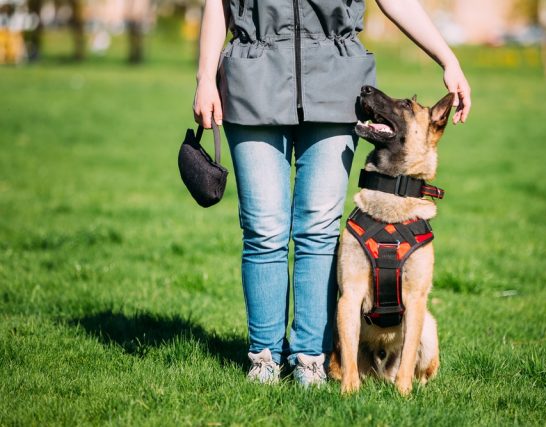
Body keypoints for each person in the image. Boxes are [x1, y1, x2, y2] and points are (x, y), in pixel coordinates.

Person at [193, 0, 471, 386]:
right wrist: (206, 77)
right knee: (263, 230)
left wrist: (447, 58)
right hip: (251, 80)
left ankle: (310, 359)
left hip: (334, 83)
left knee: (319, 230)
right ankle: (265, 358)